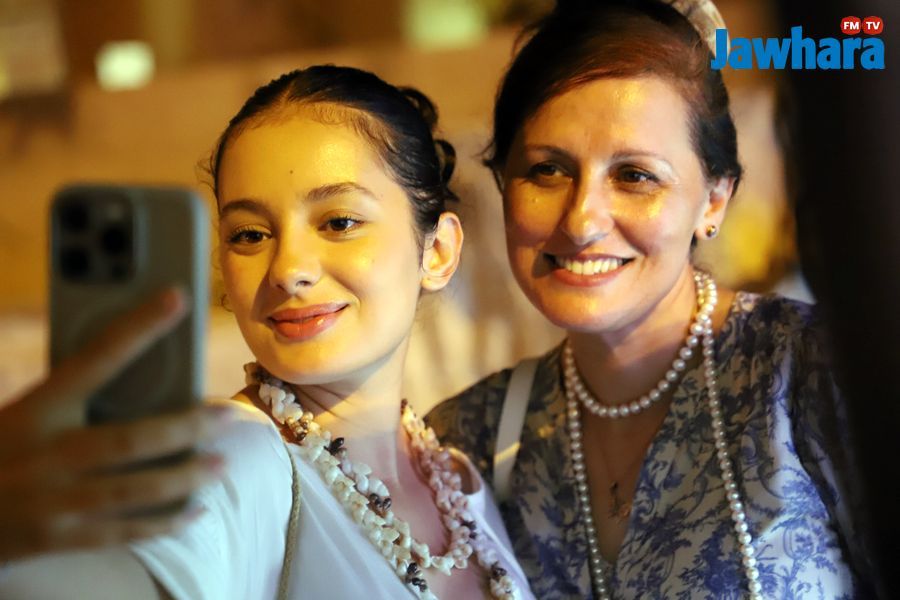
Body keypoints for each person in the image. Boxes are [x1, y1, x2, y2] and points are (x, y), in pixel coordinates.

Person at [0, 66, 532, 600]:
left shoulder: (463, 483)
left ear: (437, 252)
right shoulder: (233, 457)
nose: (287, 269)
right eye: (250, 235)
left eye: (339, 223)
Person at [425, 1, 877, 598]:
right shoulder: (466, 442)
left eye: (635, 175)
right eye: (547, 170)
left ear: (713, 201)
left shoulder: (811, 372)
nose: (582, 221)